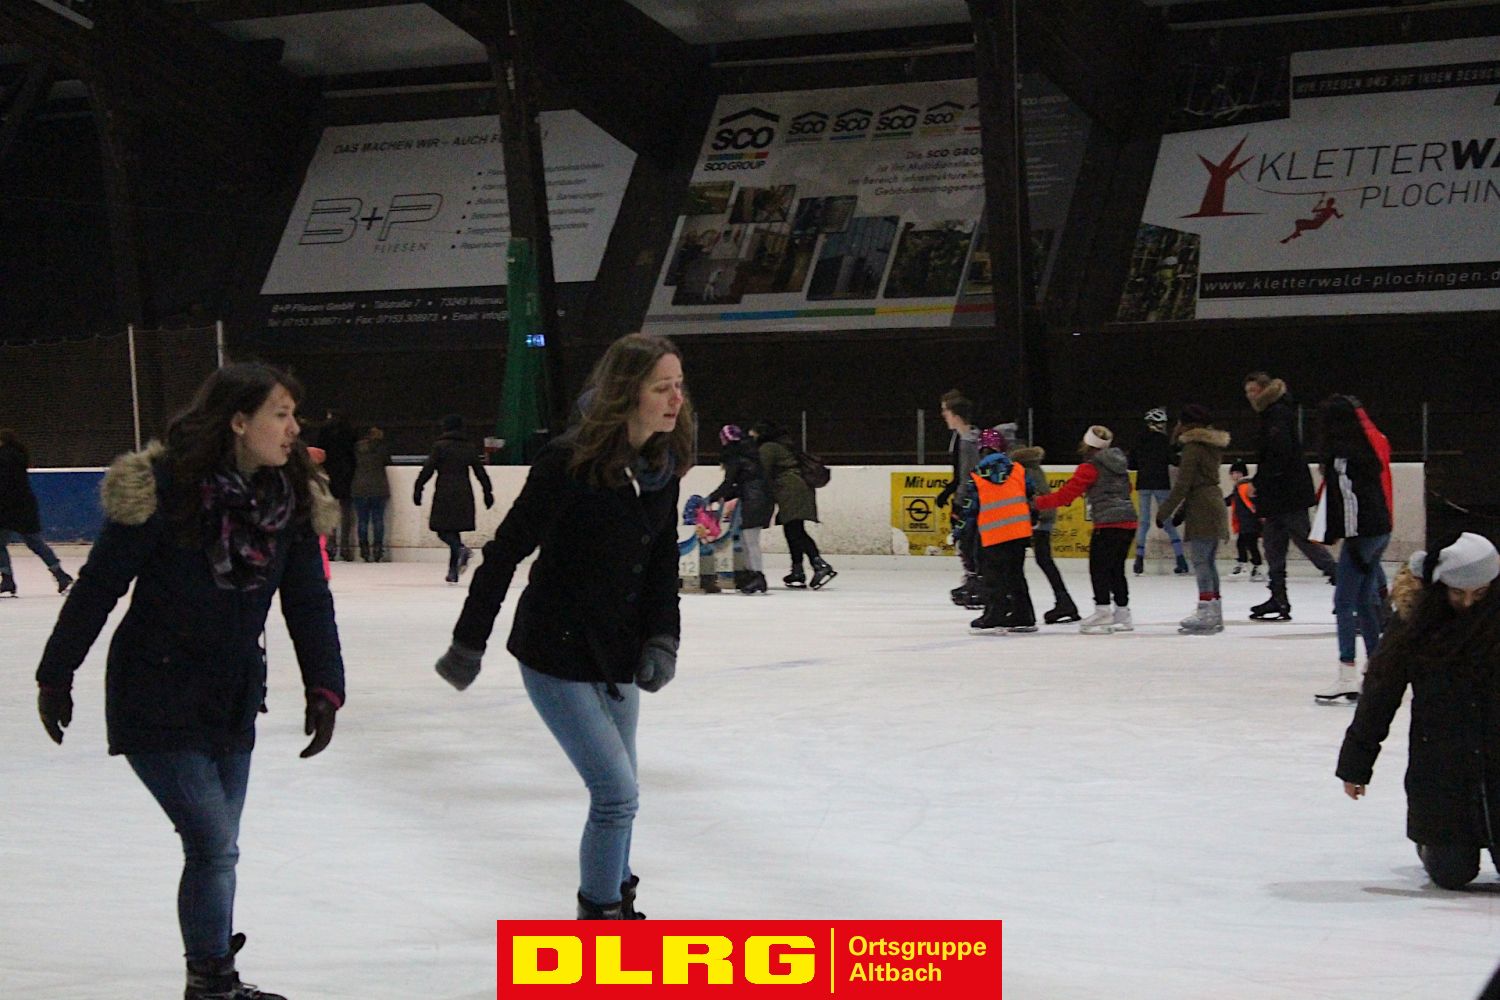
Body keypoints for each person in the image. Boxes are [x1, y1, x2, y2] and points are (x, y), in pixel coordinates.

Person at [33, 362, 345, 1000]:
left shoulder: (288, 499)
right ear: (239, 421)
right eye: (281, 414)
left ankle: (211, 980)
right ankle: (211, 981)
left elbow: (308, 600)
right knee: (213, 844)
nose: (294, 428)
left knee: (216, 849)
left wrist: (325, 686)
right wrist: (56, 673)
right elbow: (99, 586)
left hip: (231, 696)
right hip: (155, 690)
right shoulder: (167, 491)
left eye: (294, 414)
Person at [431, 332, 691, 920]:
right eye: (662, 388)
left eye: (679, 385)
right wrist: (469, 642)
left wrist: (662, 638)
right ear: (627, 392)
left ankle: (619, 900)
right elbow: (505, 552)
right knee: (616, 795)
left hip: (618, 652)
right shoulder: (568, 463)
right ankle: (600, 922)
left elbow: (660, 562)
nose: (676, 399)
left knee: (625, 793)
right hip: (557, 650)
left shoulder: (660, 467)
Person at [1337, 533, 1500, 890]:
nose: (1468, 602)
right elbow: (1380, 692)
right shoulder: (1415, 623)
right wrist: (1356, 763)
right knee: (1452, 873)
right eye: (1457, 593)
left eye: (1479, 593)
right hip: (1441, 761)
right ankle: (1433, 846)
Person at [1311, 395, 1393, 703]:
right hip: (1379, 529)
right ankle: (1378, 669)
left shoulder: (1342, 455)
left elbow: (1348, 500)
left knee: (1344, 601)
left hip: (1363, 533)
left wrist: (1344, 535)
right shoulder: (1364, 447)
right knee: (1365, 599)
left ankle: (1347, 673)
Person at [1244, 371, 1338, 620]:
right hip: (1276, 495)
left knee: (1305, 541)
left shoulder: (1277, 413)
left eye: (1253, 390)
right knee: (1273, 545)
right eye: (1248, 392)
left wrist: (1259, 481)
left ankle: (1345, 584)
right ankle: (1278, 597)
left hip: (1288, 493)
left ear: (1265, 390)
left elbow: (1279, 454)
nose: (1250, 396)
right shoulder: (1271, 413)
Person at [1032, 425, 1138, 634]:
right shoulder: (1119, 465)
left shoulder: (1090, 467)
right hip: (1128, 521)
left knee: (1099, 568)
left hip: (1107, 523)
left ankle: (1103, 610)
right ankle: (1122, 612)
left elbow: (1066, 495)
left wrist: (1036, 503)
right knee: (1116, 568)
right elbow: (1128, 489)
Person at [1154, 404, 1230, 634]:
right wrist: (1181, 511)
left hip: (1202, 507)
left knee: (1200, 561)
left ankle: (1206, 610)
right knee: (1208, 561)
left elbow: (1183, 484)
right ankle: (1214, 611)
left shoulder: (1193, 447)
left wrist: (1164, 511)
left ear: (1186, 424)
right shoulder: (1210, 446)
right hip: (1211, 502)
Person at [968, 427, 1037, 633]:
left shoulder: (978, 474)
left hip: (994, 532)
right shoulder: (1018, 469)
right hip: (1019, 531)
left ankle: (995, 614)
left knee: (994, 575)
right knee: (1016, 573)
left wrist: (962, 532)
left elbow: (971, 506)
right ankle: (1024, 615)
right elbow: (1030, 490)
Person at [753, 420, 836, 590]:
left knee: (795, 531)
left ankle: (819, 564)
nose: (750, 435)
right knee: (792, 529)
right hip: (796, 489)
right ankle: (797, 569)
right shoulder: (783, 445)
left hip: (790, 490)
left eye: (753, 432)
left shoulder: (768, 448)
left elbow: (762, 473)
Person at [414, 414, 493, 584]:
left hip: (444, 493)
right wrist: (487, 492)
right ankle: (453, 571)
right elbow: (480, 471)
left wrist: (418, 488)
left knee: (442, 530)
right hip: (464, 493)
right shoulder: (469, 447)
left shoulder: (440, 447)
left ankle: (460, 550)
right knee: (454, 531)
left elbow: (428, 469)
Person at [1010, 437, 1080, 624]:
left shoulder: (1024, 470)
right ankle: (1064, 601)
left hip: (1036, 521)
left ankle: (1059, 602)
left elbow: (1036, 496)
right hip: (1038, 520)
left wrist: (1037, 517)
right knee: (1042, 560)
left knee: (1027, 561)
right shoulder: (1032, 467)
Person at [0, 428, 73, 596]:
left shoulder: (3, 458)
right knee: (35, 543)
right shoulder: (19, 455)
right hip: (25, 506)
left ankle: (7, 578)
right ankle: (60, 574)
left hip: (7, 508)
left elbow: (4, 485)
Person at [705, 424, 772, 594]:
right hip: (757, 499)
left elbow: (729, 483)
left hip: (755, 501)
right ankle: (752, 574)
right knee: (746, 540)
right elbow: (742, 482)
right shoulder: (748, 454)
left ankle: (757, 575)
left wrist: (712, 497)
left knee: (750, 541)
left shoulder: (736, 456)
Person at [934, 390, 983, 607]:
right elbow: (960, 474)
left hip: (970, 501)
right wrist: (949, 491)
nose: (943, 415)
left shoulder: (968, 441)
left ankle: (976, 582)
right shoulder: (963, 438)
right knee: (966, 542)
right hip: (967, 498)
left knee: (967, 542)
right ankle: (973, 579)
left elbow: (969, 475)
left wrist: (960, 503)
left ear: (955, 415)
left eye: (945, 411)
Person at [1129, 407, 1189, 576]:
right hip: (1161, 483)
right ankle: (1180, 559)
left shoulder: (1138, 440)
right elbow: (1173, 460)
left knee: (1144, 522)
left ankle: (1139, 559)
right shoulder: (1163, 441)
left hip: (1144, 483)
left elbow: (1132, 464)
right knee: (1167, 519)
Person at [311, 410, 357, 561]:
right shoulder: (349, 431)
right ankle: (345, 548)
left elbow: (320, 452)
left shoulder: (324, 430)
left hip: (329, 474)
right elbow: (353, 455)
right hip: (347, 475)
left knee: (330, 511)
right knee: (346, 513)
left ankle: (330, 546)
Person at [351, 424, 392, 562]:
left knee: (362, 521)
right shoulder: (382, 448)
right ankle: (378, 549)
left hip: (359, 487)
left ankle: (364, 549)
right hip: (379, 488)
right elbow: (387, 461)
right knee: (378, 520)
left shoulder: (357, 448)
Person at [1226, 461, 1263, 580]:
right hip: (1245, 522)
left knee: (1249, 545)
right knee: (1244, 544)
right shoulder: (1239, 487)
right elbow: (1230, 500)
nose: (1235, 475)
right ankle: (1248, 566)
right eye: (1233, 473)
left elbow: (1252, 502)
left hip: (1250, 522)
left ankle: (1253, 567)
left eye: (1238, 473)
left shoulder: (1244, 486)